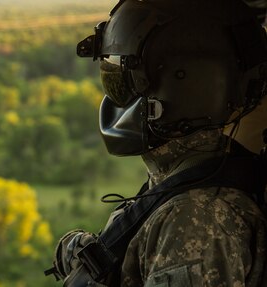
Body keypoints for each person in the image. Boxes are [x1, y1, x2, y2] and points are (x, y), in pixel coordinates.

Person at [45, 0, 267, 286]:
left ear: (180, 85)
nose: (117, 98)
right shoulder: (186, 179)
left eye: (124, 83)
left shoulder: (191, 221)